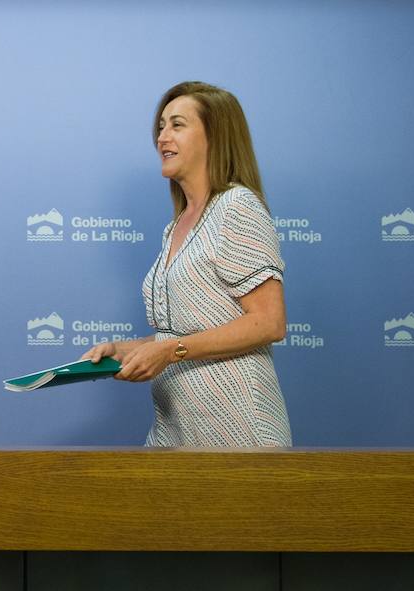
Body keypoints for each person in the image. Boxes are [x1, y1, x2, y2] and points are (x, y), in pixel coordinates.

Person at [82, 81, 292, 447]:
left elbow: (269, 322)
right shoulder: (174, 227)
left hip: (239, 431)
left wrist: (170, 351)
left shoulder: (236, 207)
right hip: (175, 429)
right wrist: (125, 350)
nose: (163, 137)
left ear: (216, 136)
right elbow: (184, 331)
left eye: (177, 125)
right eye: (161, 126)